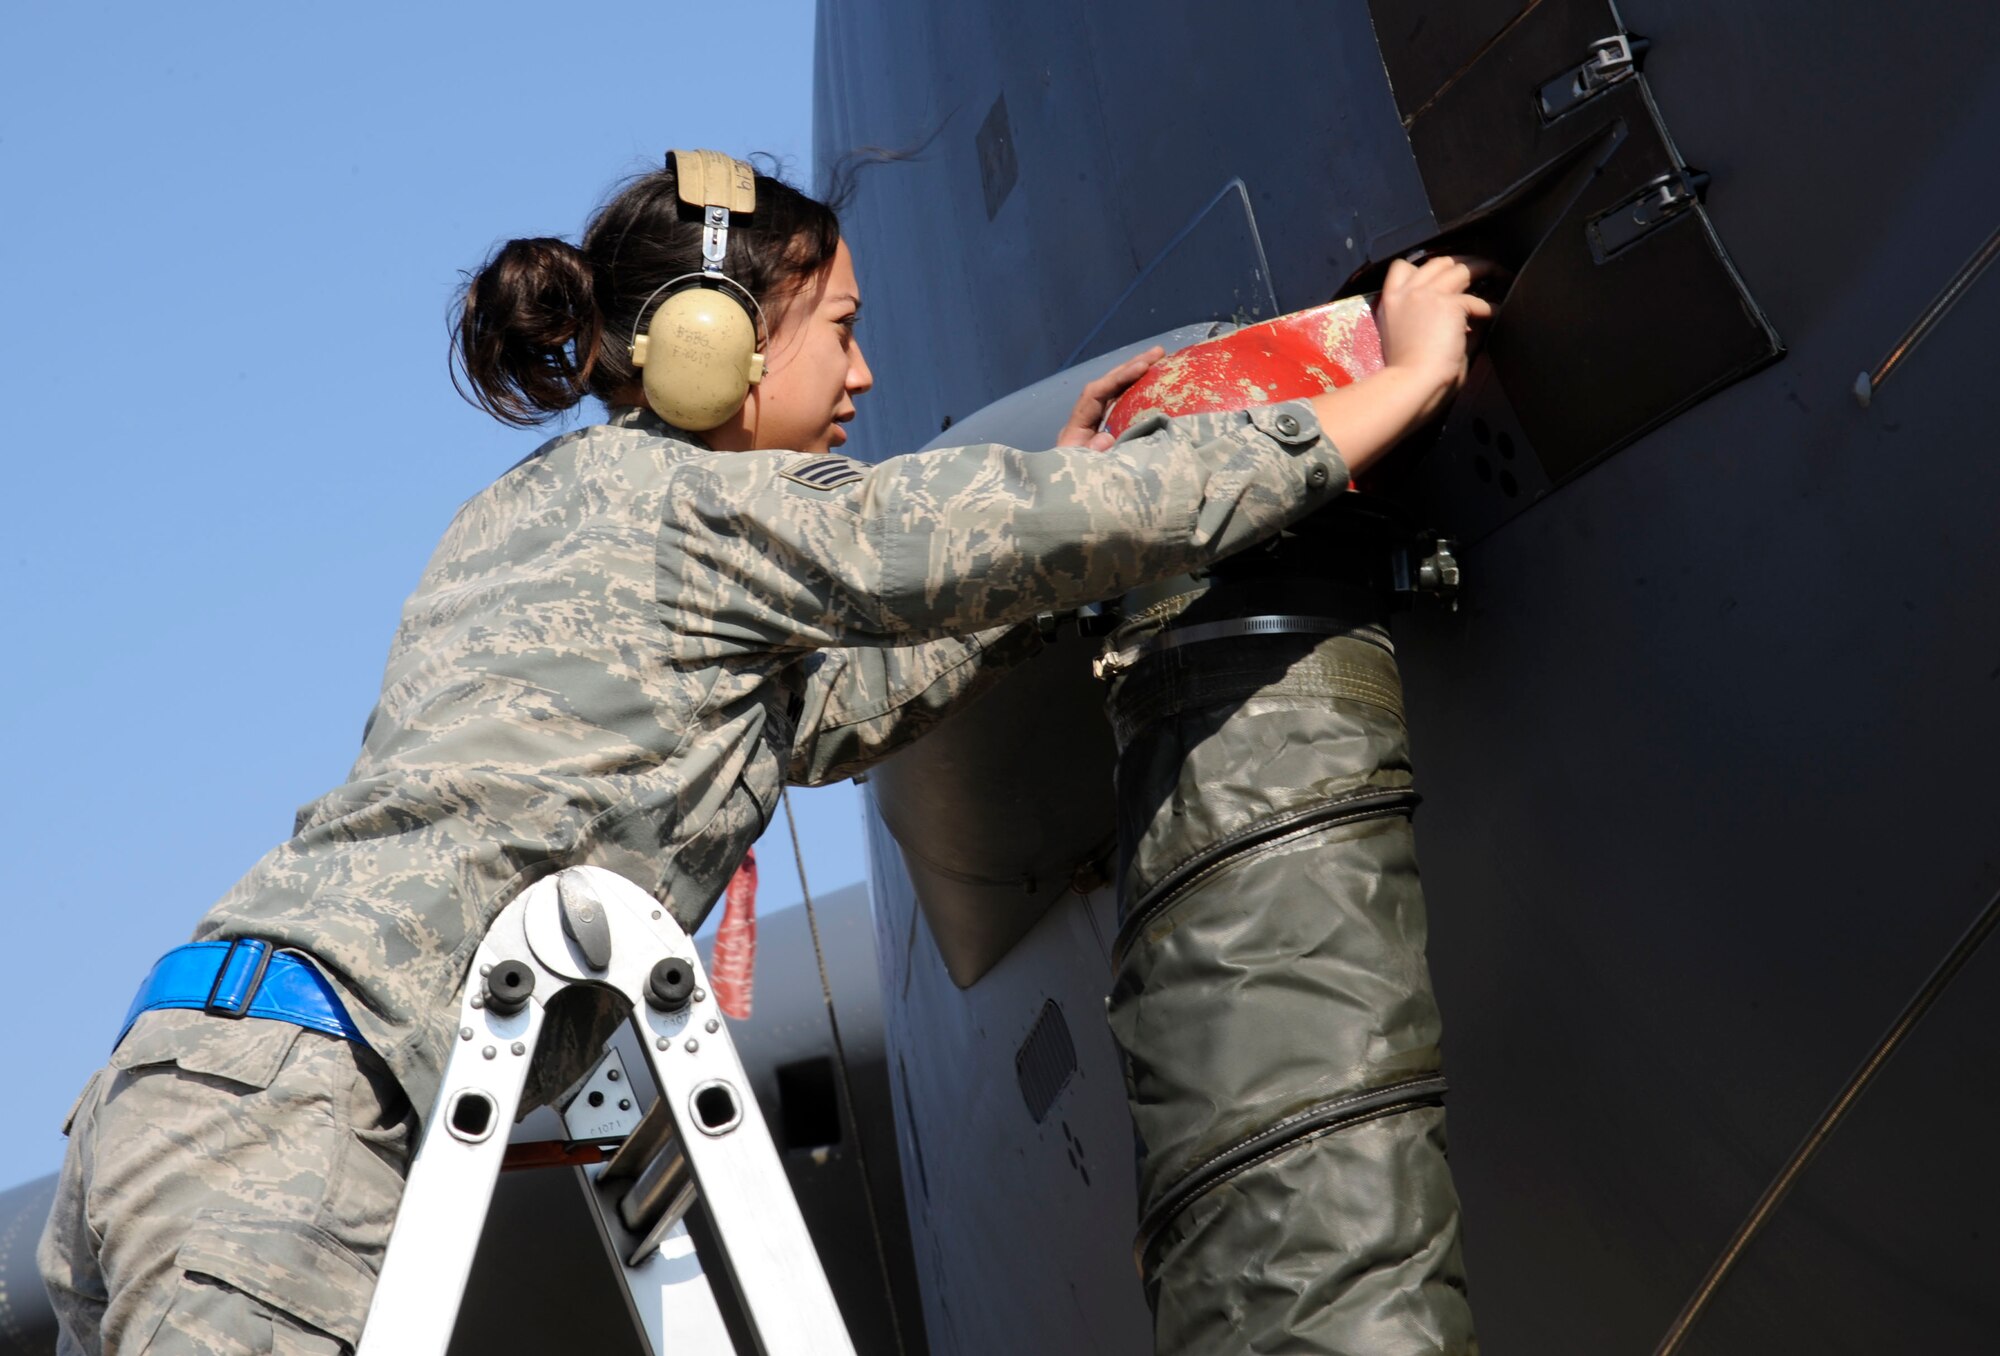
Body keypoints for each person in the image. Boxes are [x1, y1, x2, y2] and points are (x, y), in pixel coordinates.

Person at [37, 150, 1491, 1355]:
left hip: (180, 1092)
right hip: (296, 1112)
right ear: (714, 342)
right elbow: (1009, 534)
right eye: (841, 328)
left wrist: (1054, 565)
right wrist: (1390, 390)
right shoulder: (703, 515)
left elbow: (835, 711)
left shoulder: (546, 517)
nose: (863, 376)